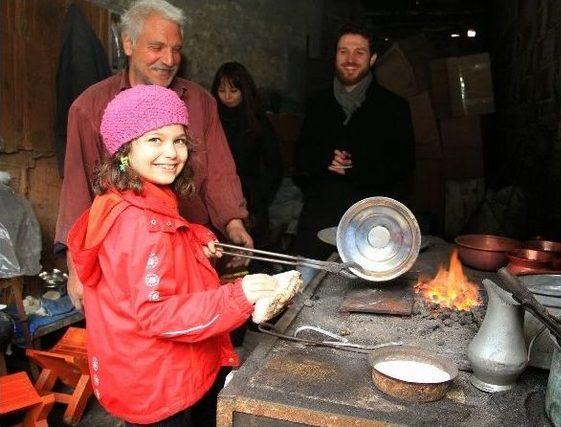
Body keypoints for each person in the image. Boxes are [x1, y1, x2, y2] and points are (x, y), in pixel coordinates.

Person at [67, 85, 278, 426]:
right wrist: (239, 296)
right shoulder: (140, 225)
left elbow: (147, 255)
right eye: (155, 139)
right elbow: (158, 314)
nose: (172, 152)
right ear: (124, 149)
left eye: (179, 140)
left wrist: (193, 237)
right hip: (159, 385)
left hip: (141, 373)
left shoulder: (124, 198)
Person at [55, 0, 252, 312]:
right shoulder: (89, 106)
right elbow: (78, 190)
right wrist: (76, 265)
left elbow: (219, 170)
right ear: (128, 44)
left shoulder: (200, 102)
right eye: (157, 47)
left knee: (193, 335)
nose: (169, 59)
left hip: (191, 252)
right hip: (124, 262)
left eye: (176, 49)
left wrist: (233, 221)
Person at [293, 23, 415, 263]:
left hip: (371, 226)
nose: (350, 59)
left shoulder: (393, 107)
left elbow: (404, 166)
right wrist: (326, 162)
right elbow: (300, 158)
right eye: (343, 51)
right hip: (319, 220)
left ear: (372, 59)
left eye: (359, 52)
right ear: (335, 57)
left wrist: (356, 168)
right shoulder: (317, 103)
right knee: (305, 288)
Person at [211, 62, 283, 262]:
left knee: (253, 259)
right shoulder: (213, 119)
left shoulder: (257, 121)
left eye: (233, 90)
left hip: (253, 196)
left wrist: (258, 200)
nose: (227, 96)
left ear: (245, 90)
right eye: (222, 90)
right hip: (219, 197)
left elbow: (275, 167)